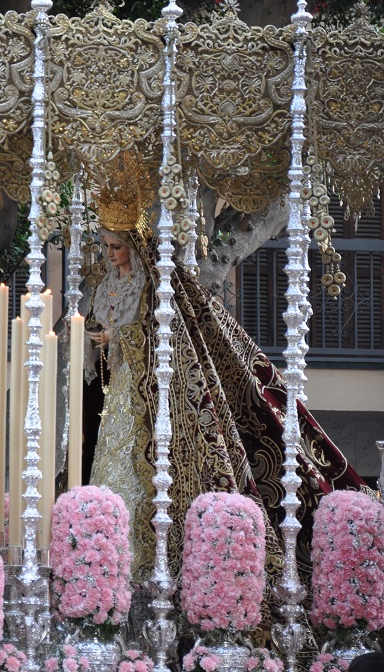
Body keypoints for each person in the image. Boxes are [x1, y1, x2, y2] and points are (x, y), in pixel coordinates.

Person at [82, 154, 368, 588]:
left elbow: (165, 336)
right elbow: (100, 327)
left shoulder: (156, 284)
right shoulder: (107, 285)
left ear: (135, 242)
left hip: (152, 396)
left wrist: (116, 340)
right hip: (118, 391)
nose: (109, 254)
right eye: (104, 246)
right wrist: (96, 341)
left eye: (115, 246)